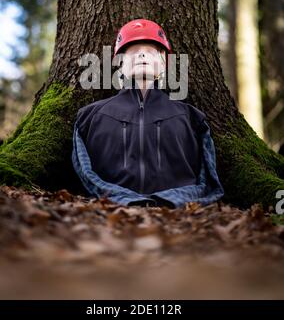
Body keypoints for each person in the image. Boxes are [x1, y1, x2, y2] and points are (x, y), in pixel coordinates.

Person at [72, 18, 224, 208]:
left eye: (150, 52)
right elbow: (85, 172)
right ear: (120, 64)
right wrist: (118, 197)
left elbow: (207, 180)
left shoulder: (193, 119)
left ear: (163, 63)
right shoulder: (89, 118)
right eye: (133, 52)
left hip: (177, 218)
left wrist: (175, 199)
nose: (142, 56)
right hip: (109, 216)